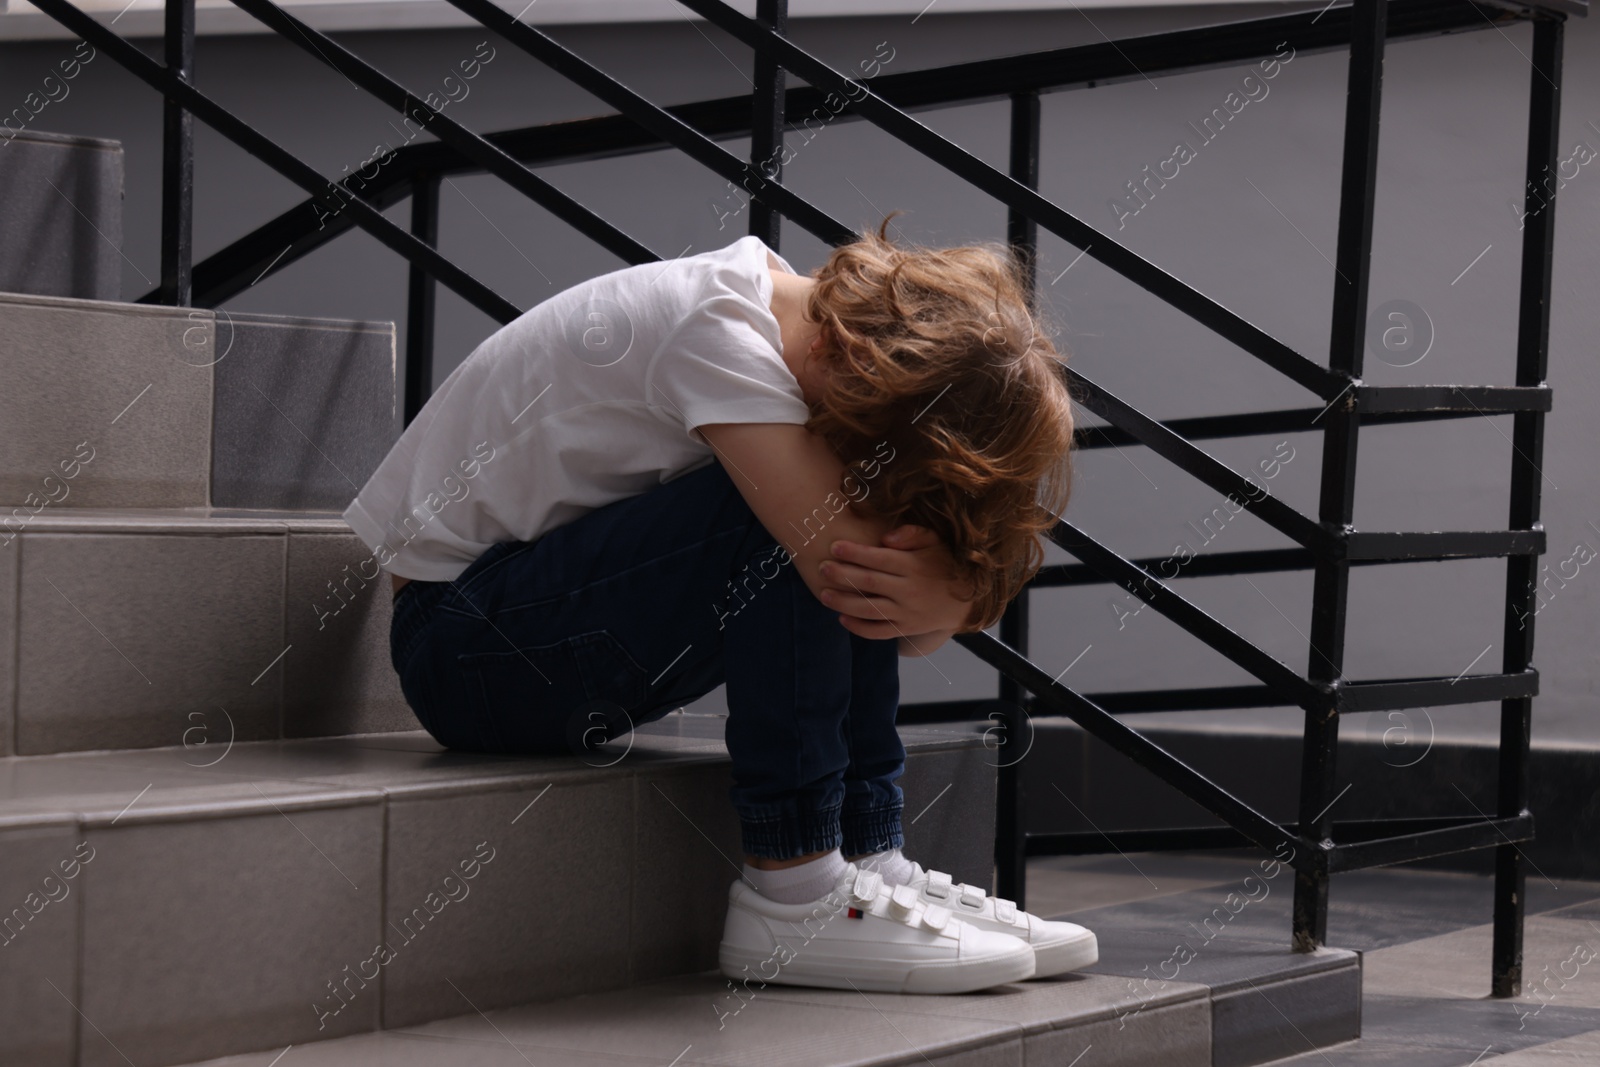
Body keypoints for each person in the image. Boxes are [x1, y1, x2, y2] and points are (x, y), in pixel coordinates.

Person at [346, 214, 1096, 995]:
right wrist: (958, 601)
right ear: (853, 362)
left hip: (532, 623)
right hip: (461, 649)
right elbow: (853, 566)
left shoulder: (784, 317)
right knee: (799, 522)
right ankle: (795, 886)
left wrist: (944, 599)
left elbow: (903, 627)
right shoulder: (719, 330)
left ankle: (871, 860)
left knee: (832, 517)